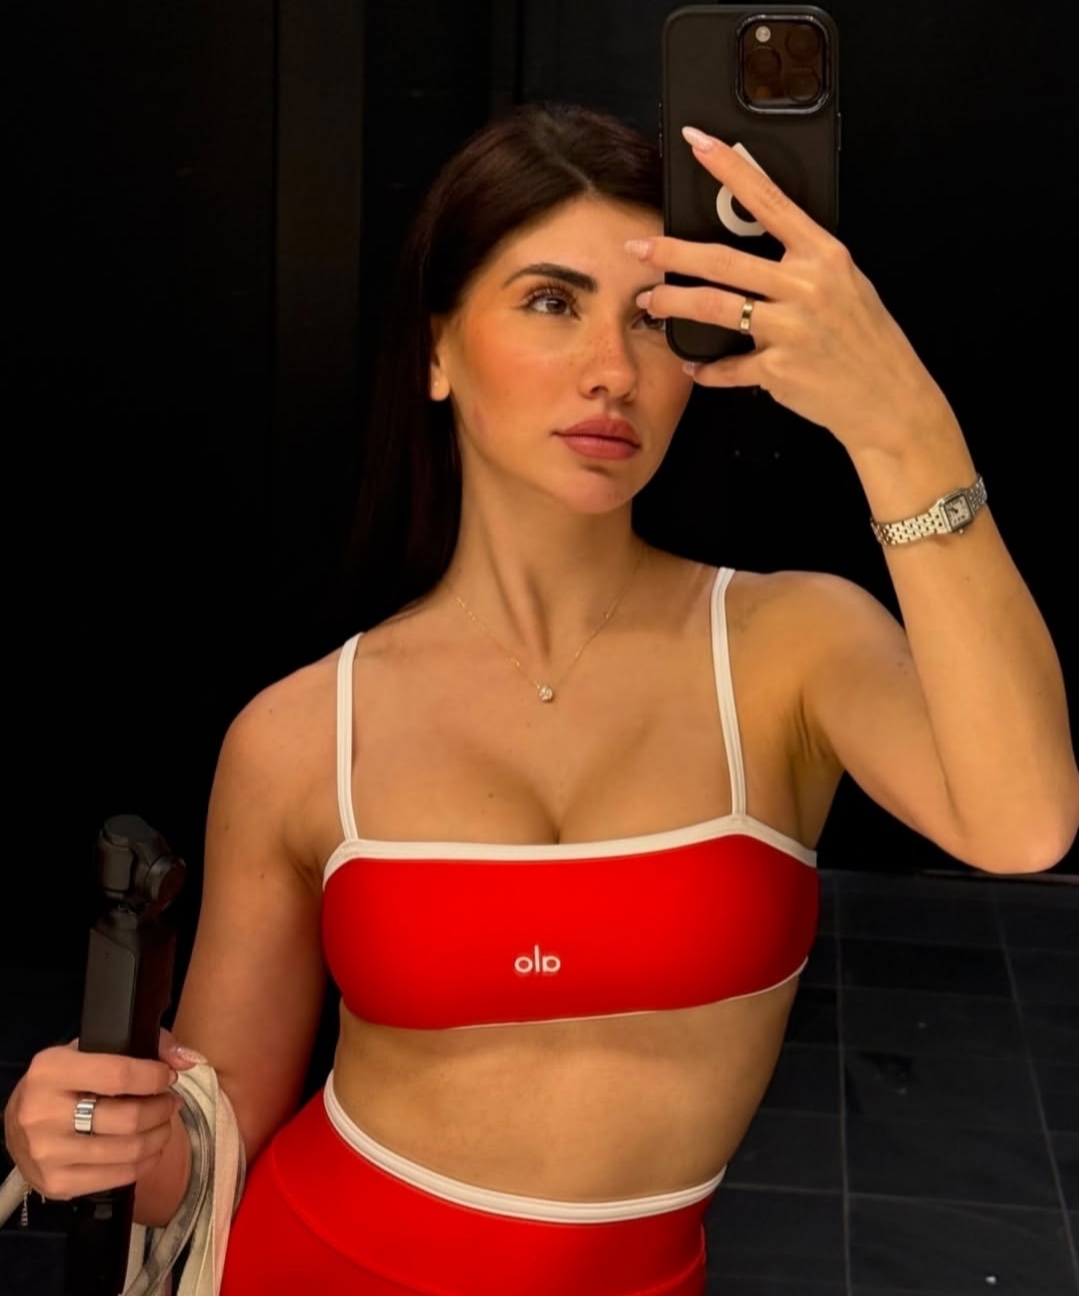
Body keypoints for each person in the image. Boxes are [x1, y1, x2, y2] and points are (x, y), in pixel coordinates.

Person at [5, 103, 1077, 1296]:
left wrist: (902, 425)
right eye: (550, 301)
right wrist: (96, 1133)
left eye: (653, 319)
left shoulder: (790, 648)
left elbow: (1021, 824)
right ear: (436, 350)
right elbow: (210, 1159)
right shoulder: (300, 734)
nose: (612, 369)